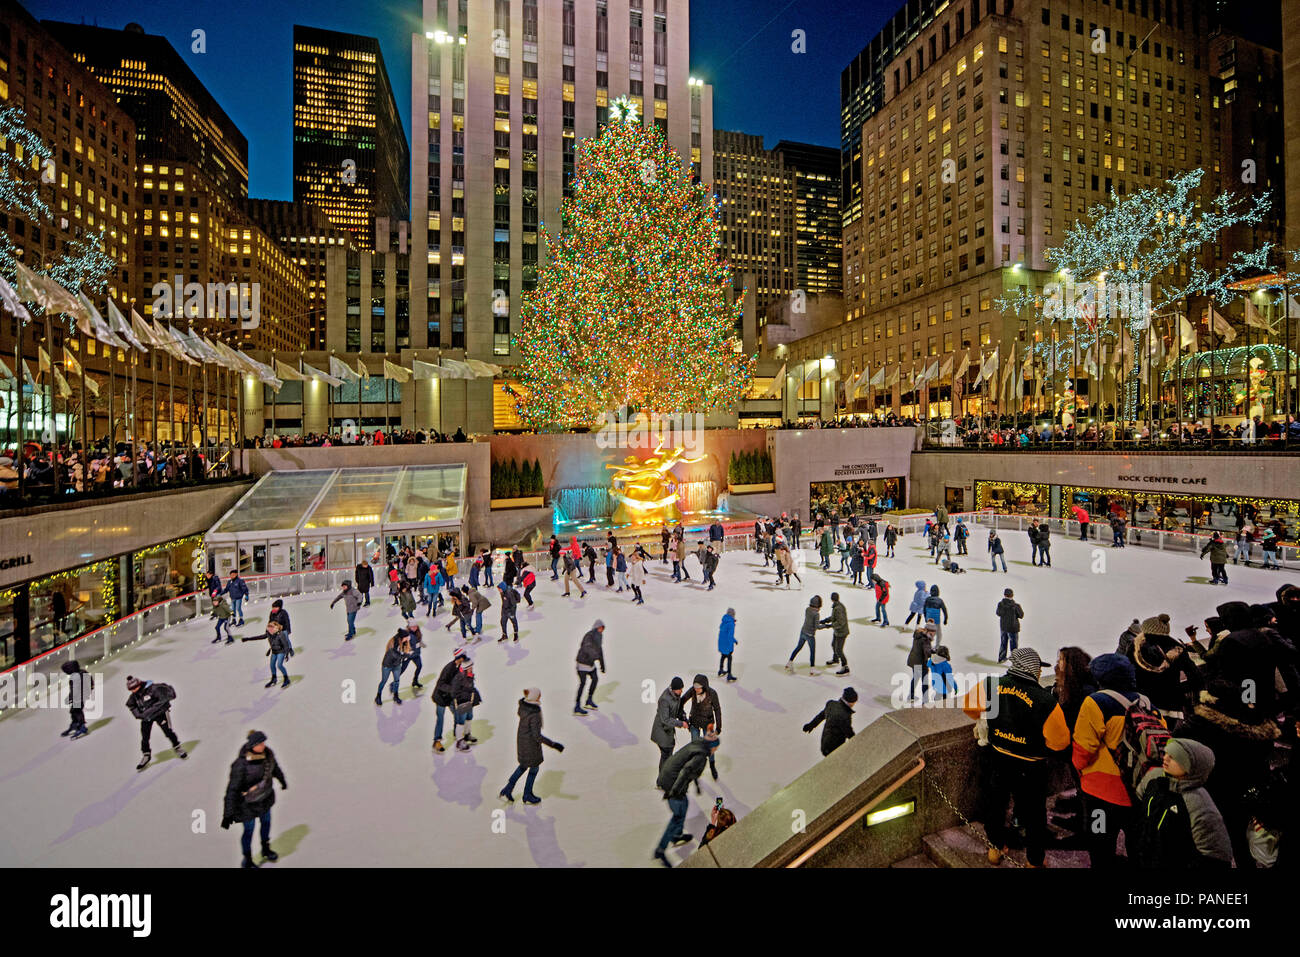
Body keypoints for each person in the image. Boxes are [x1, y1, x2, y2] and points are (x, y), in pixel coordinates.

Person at [961, 648, 1071, 867]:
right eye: (1039, 667)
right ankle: (1034, 860)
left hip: (998, 757)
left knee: (995, 805)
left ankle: (995, 848)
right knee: (1034, 814)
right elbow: (1060, 742)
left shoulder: (991, 685)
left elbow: (969, 708)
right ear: (1031, 669)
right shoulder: (1045, 701)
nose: (1040, 672)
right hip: (1031, 766)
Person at [1071, 654, 1149, 868]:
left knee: (1100, 846)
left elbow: (1083, 750)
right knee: (1138, 849)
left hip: (1101, 794)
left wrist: (1079, 770)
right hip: (1139, 789)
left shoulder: (1095, 702)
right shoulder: (1145, 701)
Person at [1135, 737, 1233, 869]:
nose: (1166, 758)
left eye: (1174, 757)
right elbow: (1139, 804)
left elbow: (1215, 855)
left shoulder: (1198, 803)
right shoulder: (1154, 778)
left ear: (1191, 766)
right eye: (1166, 753)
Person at [221, 730, 288, 869]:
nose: (263, 745)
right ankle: (247, 859)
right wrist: (227, 814)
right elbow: (232, 790)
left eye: (263, 742)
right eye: (259, 743)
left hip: (265, 800)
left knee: (266, 824)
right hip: (247, 806)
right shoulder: (241, 765)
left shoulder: (268, 755)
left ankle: (265, 848)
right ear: (252, 745)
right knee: (249, 831)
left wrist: (282, 780)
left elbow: (274, 769)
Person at [653, 732, 720, 867]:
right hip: (672, 783)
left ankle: (676, 835)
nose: (715, 751)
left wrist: (695, 784)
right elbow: (685, 772)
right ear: (712, 748)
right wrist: (674, 792)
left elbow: (689, 769)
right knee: (677, 814)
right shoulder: (701, 756)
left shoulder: (698, 745)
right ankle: (660, 849)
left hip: (668, 776)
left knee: (684, 805)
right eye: (716, 748)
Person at [499, 688, 565, 805]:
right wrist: (553, 744)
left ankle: (508, 788)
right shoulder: (534, 713)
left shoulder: (524, 708)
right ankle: (527, 794)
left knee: (523, 767)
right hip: (530, 745)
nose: (540, 697)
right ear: (535, 697)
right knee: (534, 769)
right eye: (539, 695)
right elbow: (537, 736)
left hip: (522, 742)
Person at [125, 675, 186, 770]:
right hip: (146, 718)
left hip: (160, 714)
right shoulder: (134, 696)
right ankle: (146, 754)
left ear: (139, 684)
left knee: (168, 731)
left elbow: (162, 700)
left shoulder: (152, 689)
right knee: (145, 737)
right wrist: (139, 714)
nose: (133, 691)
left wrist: (150, 710)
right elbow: (131, 705)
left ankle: (177, 747)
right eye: (131, 690)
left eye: (134, 688)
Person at [682, 674, 723, 782]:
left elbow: (717, 710)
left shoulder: (712, 694)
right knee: (695, 746)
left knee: (710, 747)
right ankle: (694, 767)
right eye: (694, 687)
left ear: (704, 686)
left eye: (698, 687)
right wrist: (683, 717)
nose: (696, 689)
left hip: (707, 723)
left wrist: (719, 727)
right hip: (694, 722)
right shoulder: (693, 691)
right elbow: (682, 701)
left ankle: (712, 765)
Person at [431, 649, 471, 752]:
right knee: (440, 719)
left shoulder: (460, 668)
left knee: (457, 714)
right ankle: (437, 741)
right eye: (463, 658)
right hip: (441, 697)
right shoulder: (449, 668)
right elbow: (440, 684)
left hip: (451, 697)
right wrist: (452, 689)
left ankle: (458, 735)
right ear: (458, 658)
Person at [802, 687, 857, 756]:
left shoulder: (832, 704)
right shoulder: (843, 715)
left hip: (825, 743)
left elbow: (821, 715)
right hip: (834, 747)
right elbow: (849, 733)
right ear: (851, 702)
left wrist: (811, 725)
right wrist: (859, 743)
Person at [241, 619, 293, 689]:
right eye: (268, 629)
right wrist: (248, 639)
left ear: (276, 628)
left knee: (279, 665)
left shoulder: (281, 634)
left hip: (281, 651)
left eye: (271, 629)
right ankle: (274, 679)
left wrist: (286, 654)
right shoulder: (268, 634)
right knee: (272, 665)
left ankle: (286, 679)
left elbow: (286, 645)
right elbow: (259, 637)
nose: (269, 630)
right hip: (274, 652)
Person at [651, 677, 687, 774]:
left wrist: (683, 716)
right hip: (661, 731)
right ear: (675, 689)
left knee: (668, 755)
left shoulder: (676, 696)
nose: (681, 691)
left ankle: (664, 778)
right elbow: (665, 719)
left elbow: (677, 709)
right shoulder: (664, 700)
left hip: (668, 731)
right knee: (666, 755)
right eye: (680, 689)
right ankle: (663, 780)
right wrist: (680, 723)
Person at [785, 595, 827, 674]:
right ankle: (812, 668)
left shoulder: (807, 609)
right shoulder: (816, 614)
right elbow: (817, 626)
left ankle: (789, 662)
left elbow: (811, 621)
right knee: (812, 651)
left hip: (803, 632)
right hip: (810, 635)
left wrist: (821, 621)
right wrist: (827, 626)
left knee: (798, 647)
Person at [573, 619, 606, 715]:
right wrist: (595, 656)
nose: (601, 630)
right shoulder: (589, 636)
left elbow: (600, 650)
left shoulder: (599, 637)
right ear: (596, 628)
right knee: (582, 684)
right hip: (582, 663)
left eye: (602, 628)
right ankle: (577, 706)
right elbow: (587, 647)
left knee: (595, 679)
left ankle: (589, 700)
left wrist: (602, 664)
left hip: (590, 664)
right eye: (600, 628)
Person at [450, 660, 482, 751]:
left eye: (471, 667)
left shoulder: (470, 676)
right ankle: (459, 741)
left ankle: (467, 734)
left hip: (469, 702)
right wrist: (461, 700)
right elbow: (454, 693)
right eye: (469, 667)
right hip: (461, 703)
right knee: (460, 722)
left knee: (469, 717)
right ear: (465, 669)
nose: (471, 669)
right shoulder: (458, 678)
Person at [59, 659, 92, 739]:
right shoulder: (82, 672)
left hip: (79, 696)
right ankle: (75, 724)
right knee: (74, 710)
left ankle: (82, 726)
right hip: (81, 695)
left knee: (77, 710)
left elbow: (75, 689)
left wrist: (70, 697)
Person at [375, 631, 409, 706]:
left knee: (397, 681)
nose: (408, 638)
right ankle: (378, 696)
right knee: (384, 681)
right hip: (387, 666)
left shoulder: (405, 643)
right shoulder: (393, 643)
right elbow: (395, 655)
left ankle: (395, 696)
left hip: (397, 665)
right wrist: (405, 656)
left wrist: (405, 656)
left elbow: (404, 654)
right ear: (402, 637)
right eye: (407, 637)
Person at [821, 591, 851, 676]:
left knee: (839, 650)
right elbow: (834, 617)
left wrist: (830, 625)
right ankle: (835, 659)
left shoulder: (838, 608)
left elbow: (841, 622)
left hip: (842, 632)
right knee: (833, 644)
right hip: (837, 631)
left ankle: (845, 667)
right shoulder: (837, 606)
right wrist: (825, 620)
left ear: (831, 599)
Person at [906, 623, 935, 703]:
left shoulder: (918, 634)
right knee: (925, 681)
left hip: (913, 660)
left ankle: (911, 696)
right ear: (928, 631)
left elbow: (922, 648)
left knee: (915, 678)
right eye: (932, 631)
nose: (934, 633)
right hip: (921, 663)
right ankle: (925, 700)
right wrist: (934, 651)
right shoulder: (925, 639)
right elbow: (927, 653)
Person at [995, 588, 1023, 663]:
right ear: (1012, 595)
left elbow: (998, 613)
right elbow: (1021, 615)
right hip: (1013, 628)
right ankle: (1015, 660)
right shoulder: (1015, 605)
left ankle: (1001, 658)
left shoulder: (1000, 604)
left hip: (1003, 627)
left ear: (1004, 595)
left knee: (1003, 643)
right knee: (1014, 645)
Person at [717, 608, 738, 682]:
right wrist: (732, 645)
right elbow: (730, 636)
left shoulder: (724, 621)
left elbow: (723, 633)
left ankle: (720, 670)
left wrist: (734, 640)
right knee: (729, 658)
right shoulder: (731, 623)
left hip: (721, 643)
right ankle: (729, 675)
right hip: (727, 644)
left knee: (723, 656)